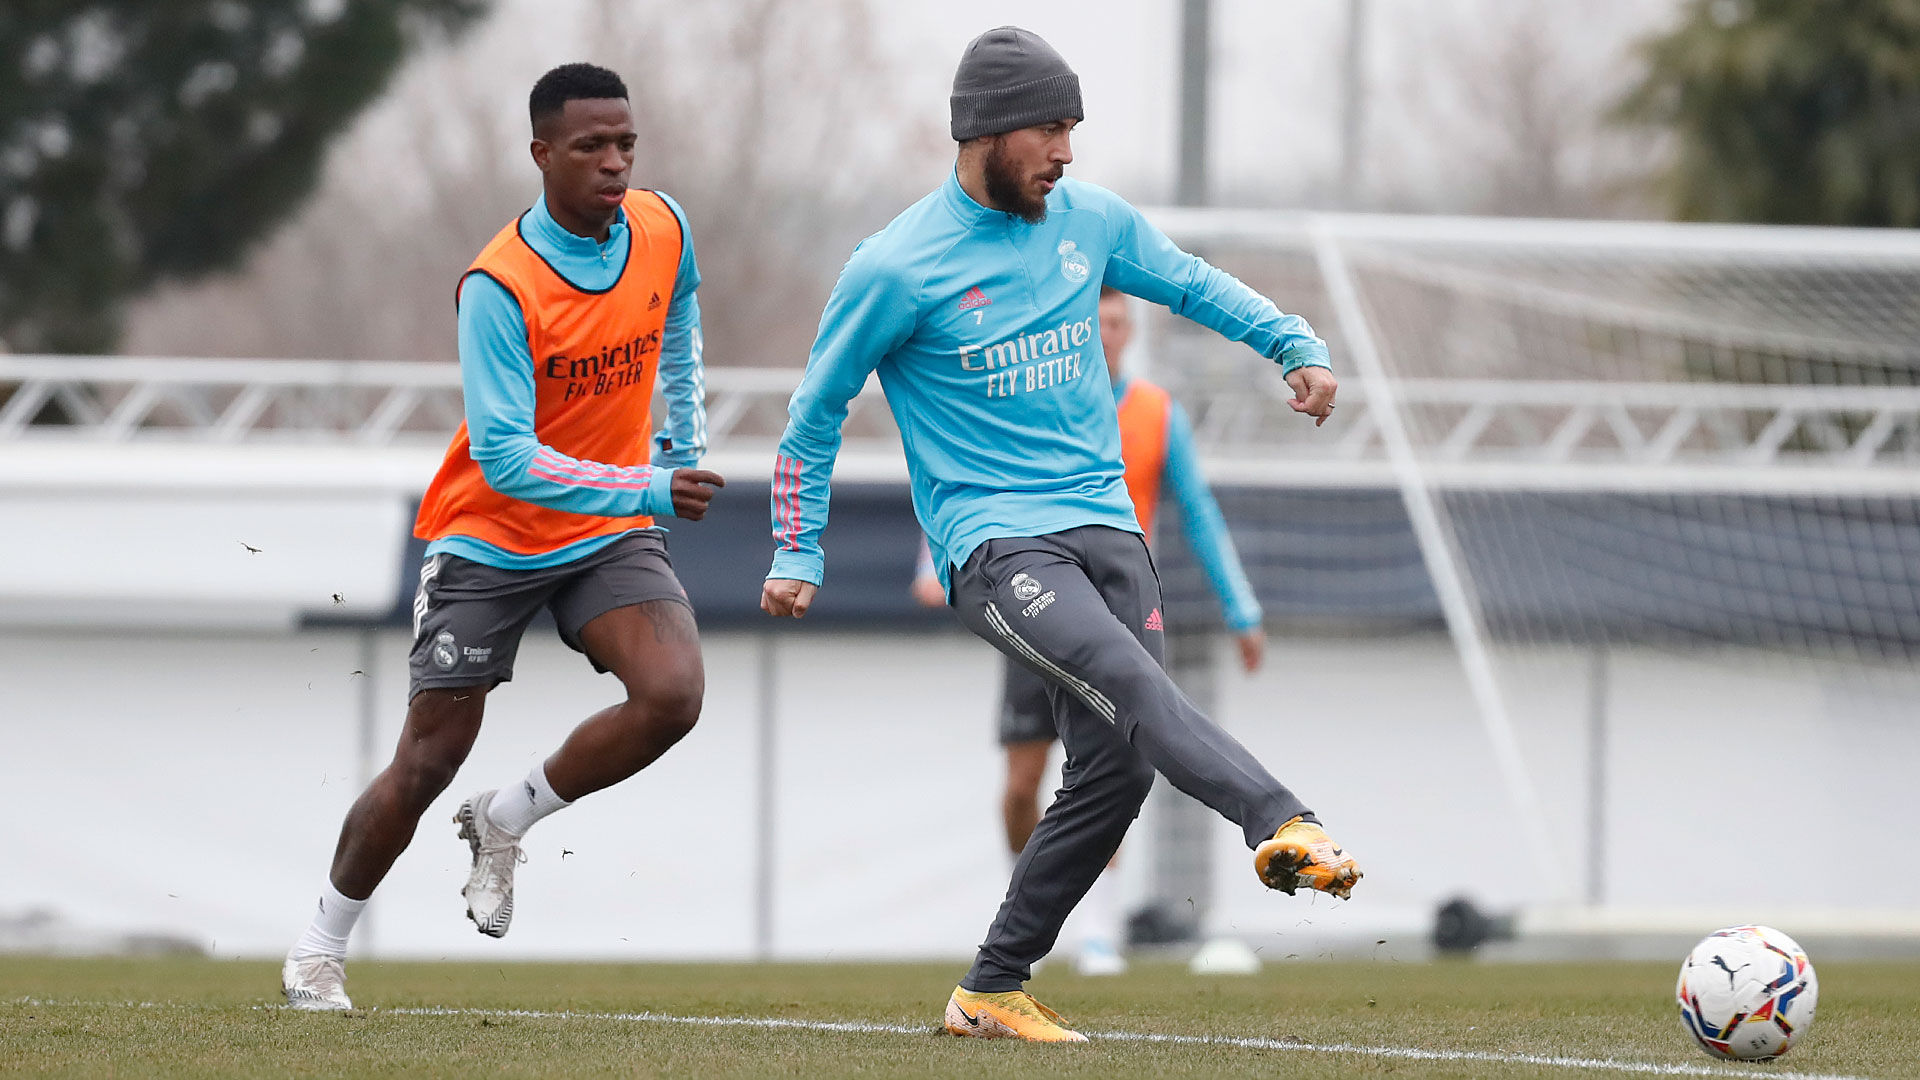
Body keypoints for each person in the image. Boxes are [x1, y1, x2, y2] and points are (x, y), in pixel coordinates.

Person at [762, 27, 1360, 1043]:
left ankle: (991, 987)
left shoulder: (1092, 220)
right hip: (997, 548)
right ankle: (1280, 820)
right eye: (1049, 127)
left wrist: (1291, 342)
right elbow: (815, 412)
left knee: (1118, 765)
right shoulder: (895, 266)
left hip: (1108, 529)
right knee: (1135, 689)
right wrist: (796, 550)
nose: (1068, 151)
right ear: (984, 131)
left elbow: (1192, 281)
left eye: (1074, 128)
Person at [282, 62, 725, 1011]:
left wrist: (681, 437)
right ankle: (319, 945)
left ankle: (507, 819)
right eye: (590, 148)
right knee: (427, 760)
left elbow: (680, 310)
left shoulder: (663, 225)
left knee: (674, 694)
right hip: (491, 537)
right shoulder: (498, 283)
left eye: (626, 146)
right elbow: (510, 458)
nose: (615, 164)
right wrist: (650, 482)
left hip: (604, 530)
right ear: (541, 155)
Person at [909, 285, 1267, 976]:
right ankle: (1031, 908)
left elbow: (1199, 512)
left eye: (1116, 321)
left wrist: (1241, 609)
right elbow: (962, 473)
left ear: (1128, 330)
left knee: (1112, 766)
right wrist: (933, 560)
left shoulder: (1158, 413)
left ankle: (1096, 928)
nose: (1106, 332)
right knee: (1022, 782)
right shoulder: (1032, 401)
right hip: (1033, 600)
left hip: (1117, 611)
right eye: (1094, 321)